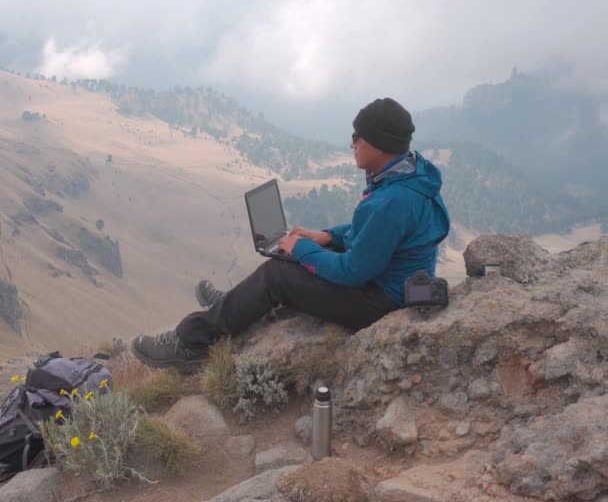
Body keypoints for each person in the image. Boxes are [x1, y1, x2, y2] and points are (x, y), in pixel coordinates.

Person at [131, 97, 450, 372]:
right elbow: (373, 235)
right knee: (294, 257)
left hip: (379, 300)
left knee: (277, 275)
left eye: (358, 136)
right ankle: (233, 304)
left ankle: (190, 343)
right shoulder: (409, 173)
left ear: (379, 144)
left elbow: (353, 271)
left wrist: (302, 249)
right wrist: (326, 237)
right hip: (384, 280)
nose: (352, 143)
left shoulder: (392, 202)